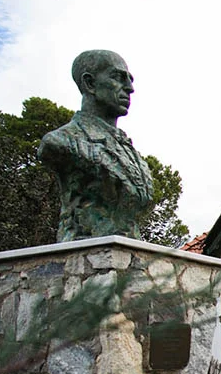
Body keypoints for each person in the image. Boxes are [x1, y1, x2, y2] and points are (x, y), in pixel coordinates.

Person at [39, 50, 154, 241]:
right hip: (84, 257)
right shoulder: (61, 141)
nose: (130, 88)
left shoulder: (129, 150)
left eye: (130, 79)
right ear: (90, 84)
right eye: (118, 77)